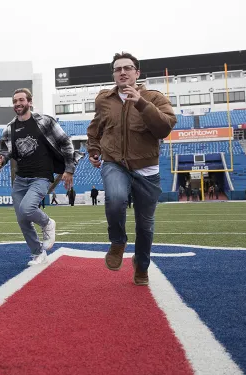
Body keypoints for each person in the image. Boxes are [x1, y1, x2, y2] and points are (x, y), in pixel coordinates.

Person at [87, 52, 177, 286]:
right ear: (114, 74)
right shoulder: (104, 99)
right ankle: (118, 242)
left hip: (146, 169)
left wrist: (140, 102)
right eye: (118, 69)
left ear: (137, 73)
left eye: (128, 68)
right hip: (114, 162)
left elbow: (164, 128)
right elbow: (95, 128)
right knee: (115, 198)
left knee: (145, 226)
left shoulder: (154, 97)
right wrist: (94, 149)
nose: (122, 72)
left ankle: (141, 265)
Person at [0, 88, 82, 266]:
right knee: (22, 219)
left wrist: (69, 169)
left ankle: (48, 223)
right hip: (21, 179)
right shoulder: (10, 128)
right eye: (15, 101)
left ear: (30, 102)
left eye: (21, 100)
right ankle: (37, 253)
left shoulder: (45, 121)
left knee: (27, 209)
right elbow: (4, 150)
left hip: (41, 176)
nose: (18, 103)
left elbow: (65, 142)